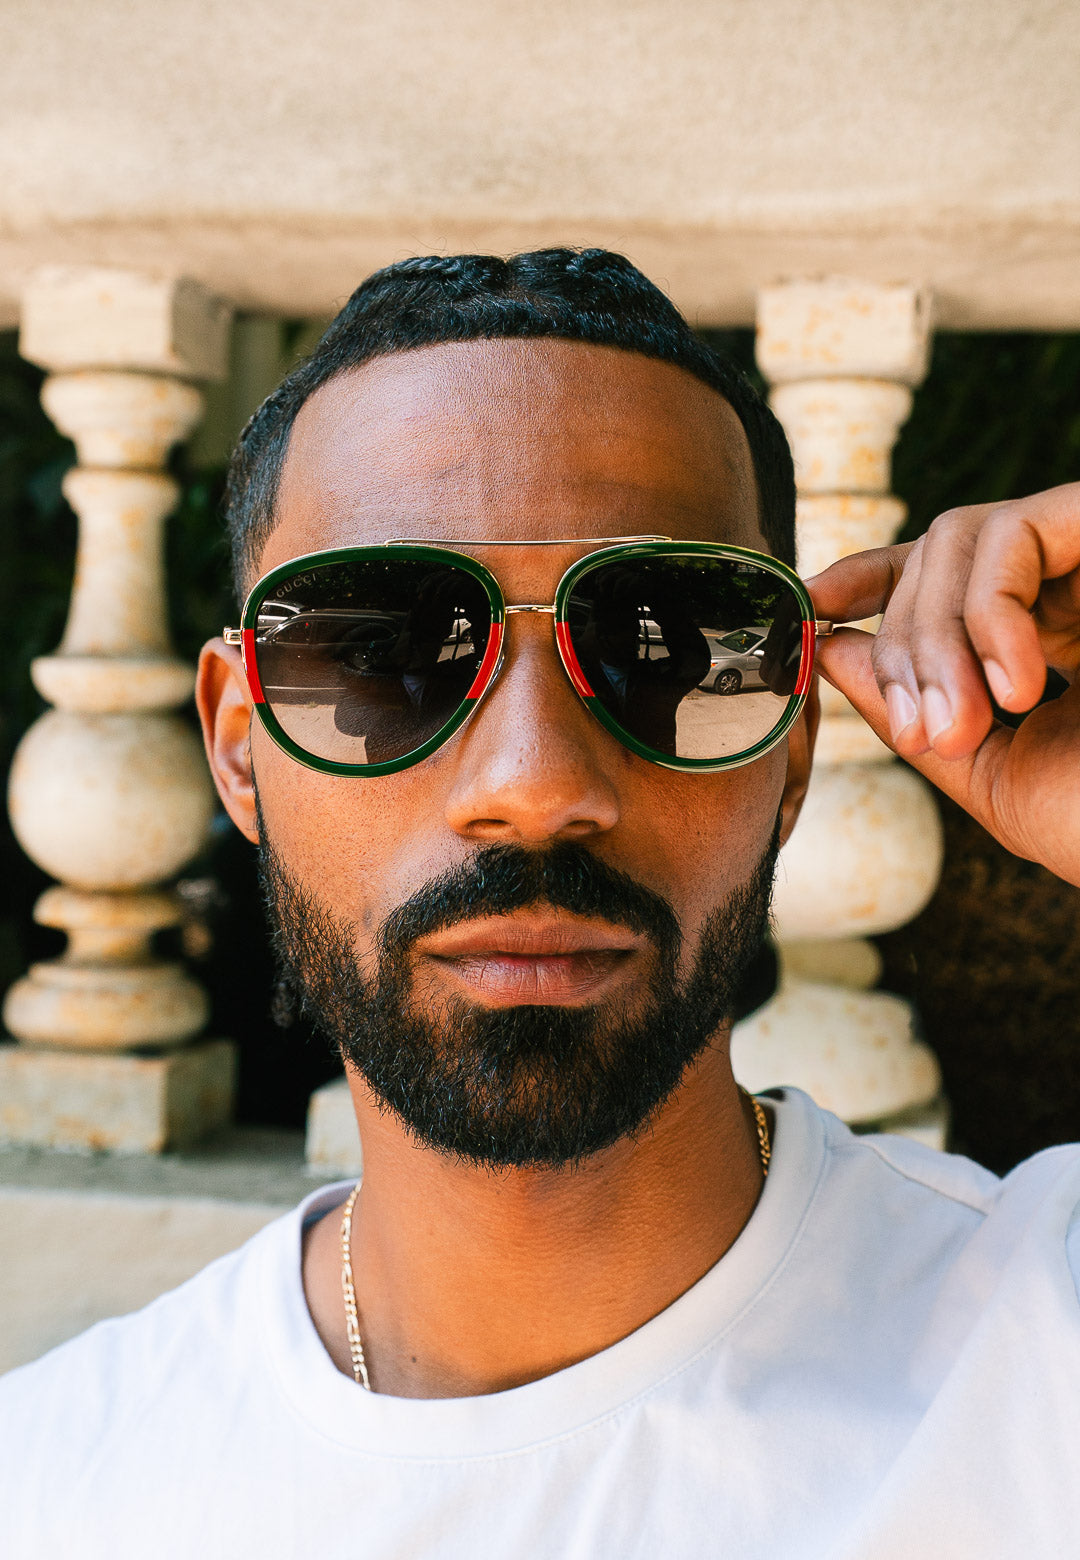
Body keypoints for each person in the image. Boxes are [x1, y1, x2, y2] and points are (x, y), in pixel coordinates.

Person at [2, 249, 1079, 1557]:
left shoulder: (1040, 1353)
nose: (532, 788)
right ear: (239, 747)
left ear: (792, 754)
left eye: (665, 650)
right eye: (382, 655)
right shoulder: (56, 1488)